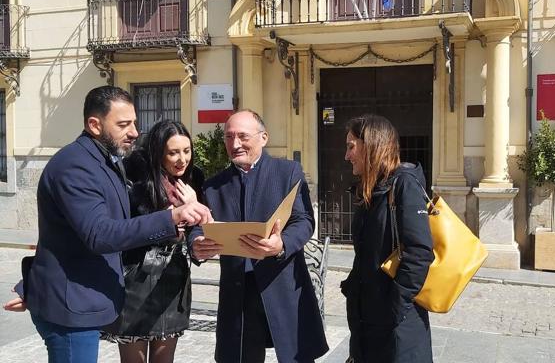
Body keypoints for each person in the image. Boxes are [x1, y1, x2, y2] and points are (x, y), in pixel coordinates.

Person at [2, 86, 211, 363]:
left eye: (135, 123)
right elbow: (99, 233)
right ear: (95, 125)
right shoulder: (76, 166)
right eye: (123, 125)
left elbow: (67, 234)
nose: (135, 132)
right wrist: (171, 216)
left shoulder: (106, 161)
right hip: (72, 307)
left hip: (90, 300)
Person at [191, 110, 329, 363]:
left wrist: (282, 244)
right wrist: (196, 243)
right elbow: (198, 225)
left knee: (296, 357)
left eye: (242, 136)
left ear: (263, 137)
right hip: (238, 293)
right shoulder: (213, 185)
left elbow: (304, 220)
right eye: (228, 137)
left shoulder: (287, 172)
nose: (234, 144)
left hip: (282, 284)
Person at [101, 120, 204, 363]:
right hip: (137, 275)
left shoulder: (193, 178)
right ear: (158, 152)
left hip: (173, 276)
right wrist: (177, 211)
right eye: (173, 152)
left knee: (164, 359)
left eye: (187, 151)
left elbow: (197, 226)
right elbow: (129, 228)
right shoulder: (134, 176)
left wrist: (197, 237)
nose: (182, 159)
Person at [341, 114, 435, 363]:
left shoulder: (405, 184)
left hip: (397, 328)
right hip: (368, 323)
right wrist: (354, 285)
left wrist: (394, 306)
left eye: (351, 146)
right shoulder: (371, 190)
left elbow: (420, 252)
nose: (347, 155)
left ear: (372, 145)